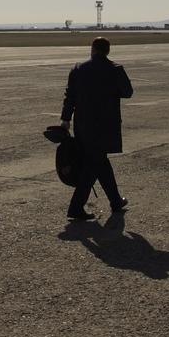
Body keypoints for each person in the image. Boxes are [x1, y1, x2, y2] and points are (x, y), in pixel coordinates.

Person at [60, 37, 134, 221]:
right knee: (94, 164)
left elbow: (70, 96)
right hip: (106, 125)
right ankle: (76, 207)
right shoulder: (115, 69)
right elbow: (128, 92)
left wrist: (65, 119)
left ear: (92, 49)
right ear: (108, 51)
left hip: (83, 125)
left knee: (99, 162)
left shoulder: (78, 69)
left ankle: (115, 201)